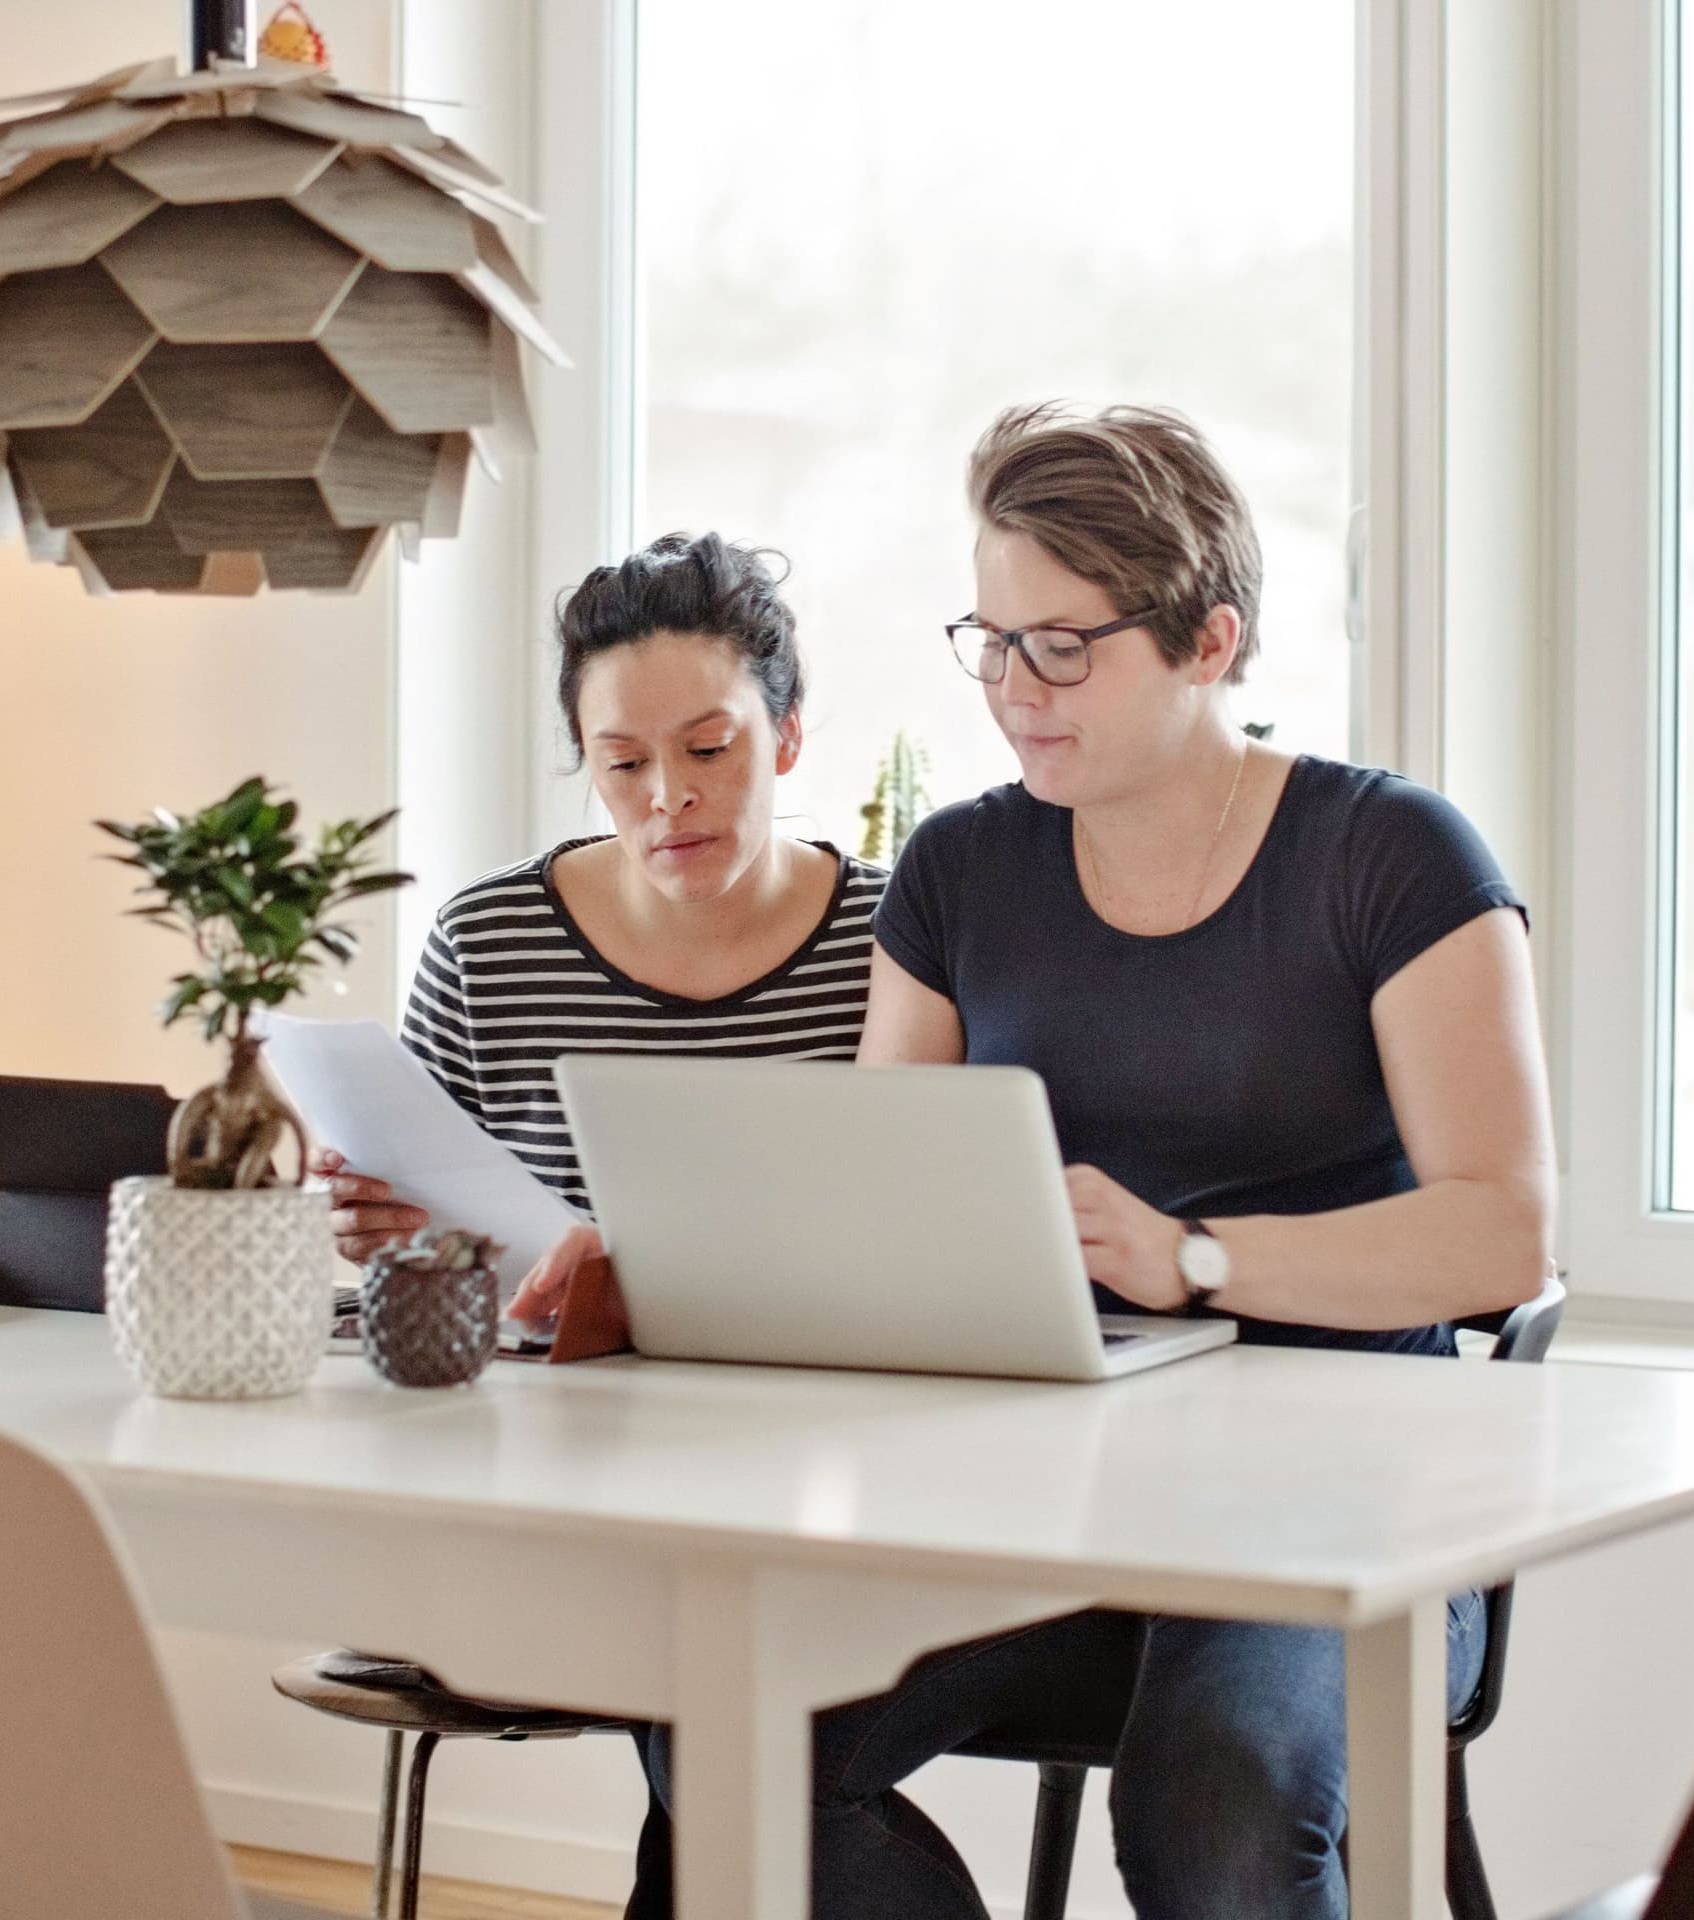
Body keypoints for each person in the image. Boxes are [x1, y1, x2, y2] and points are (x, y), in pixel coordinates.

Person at [664, 404, 1556, 1919]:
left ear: (1208, 640)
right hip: (1043, 1506)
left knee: (1214, 1797)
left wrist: (1196, 1262)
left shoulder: (1394, 857)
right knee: (719, 1716)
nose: (1015, 691)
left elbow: (1502, 1239)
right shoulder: (959, 869)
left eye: (1061, 647)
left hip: (1344, 1513)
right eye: (991, 641)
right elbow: (886, 1205)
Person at [321, 530, 888, 1920]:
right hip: (545, 1486)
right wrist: (386, 1241)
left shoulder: (897, 942)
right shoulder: (491, 943)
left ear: (791, 735)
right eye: (622, 762)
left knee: (727, 1702)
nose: (668, 799)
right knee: (718, 1712)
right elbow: (425, 1271)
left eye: (710, 750)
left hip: (827, 1485)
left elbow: (921, 1241)